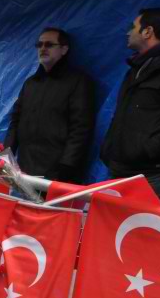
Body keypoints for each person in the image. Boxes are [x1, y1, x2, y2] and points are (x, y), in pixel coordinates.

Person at [101, 8, 160, 205]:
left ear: (148, 32)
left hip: (154, 176)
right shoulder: (136, 68)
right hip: (119, 170)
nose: (128, 32)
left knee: (155, 235)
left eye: (133, 27)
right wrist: (110, 149)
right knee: (110, 232)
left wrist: (149, 149)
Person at [5, 27, 94, 182]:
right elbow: (15, 121)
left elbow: (80, 129)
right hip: (25, 171)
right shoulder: (30, 84)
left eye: (49, 45)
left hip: (58, 174)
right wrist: (6, 157)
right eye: (39, 45)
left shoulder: (77, 82)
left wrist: (66, 167)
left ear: (64, 49)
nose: (43, 48)